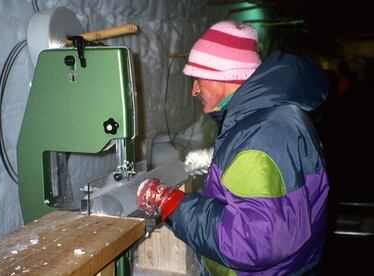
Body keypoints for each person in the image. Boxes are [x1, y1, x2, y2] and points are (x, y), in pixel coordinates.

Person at [136, 21, 329, 275]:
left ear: (225, 76)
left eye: (198, 78)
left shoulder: (260, 137)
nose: (194, 90)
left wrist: (173, 203)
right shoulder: (269, 117)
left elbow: (251, 241)